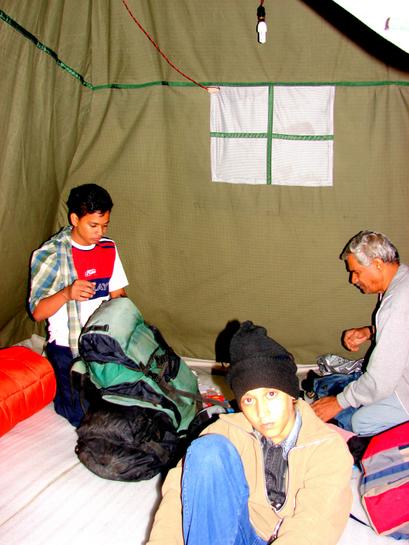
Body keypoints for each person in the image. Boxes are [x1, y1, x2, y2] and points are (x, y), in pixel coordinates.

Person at [147, 321, 353, 545]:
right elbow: (178, 494)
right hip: (238, 530)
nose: (262, 412)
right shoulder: (226, 431)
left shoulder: (327, 448)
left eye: (271, 394)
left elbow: (313, 526)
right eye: (249, 400)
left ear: (291, 394)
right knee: (206, 450)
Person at [29, 183, 128, 426]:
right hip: (67, 347)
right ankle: (57, 382)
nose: (100, 232)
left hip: (100, 342)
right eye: (93, 225)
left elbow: (119, 296)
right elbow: (37, 312)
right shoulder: (51, 254)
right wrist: (66, 293)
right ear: (75, 219)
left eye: (105, 225)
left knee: (122, 403)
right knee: (81, 415)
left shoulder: (108, 248)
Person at [312, 230, 409, 436]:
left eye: (356, 272)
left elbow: (380, 380)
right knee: (361, 389)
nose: (353, 279)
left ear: (377, 264)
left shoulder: (396, 304)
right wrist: (371, 332)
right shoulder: (403, 279)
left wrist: (339, 402)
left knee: (360, 422)